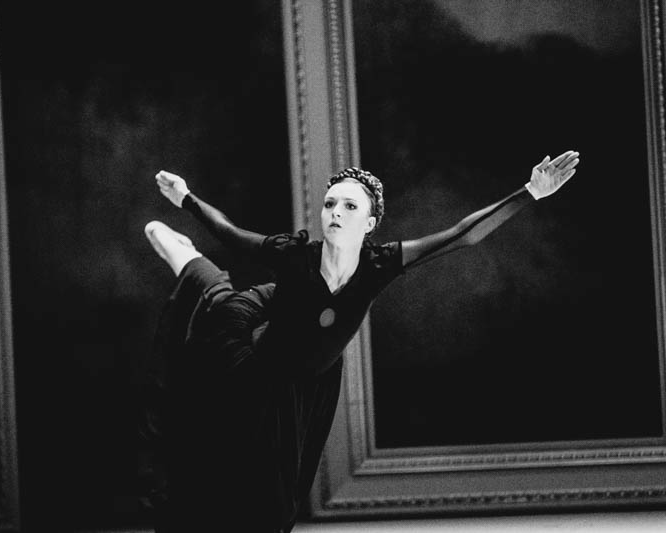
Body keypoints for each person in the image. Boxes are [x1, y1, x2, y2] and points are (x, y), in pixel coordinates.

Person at [142, 151, 579, 532]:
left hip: (306, 379)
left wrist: (529, 193)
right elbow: (231, 233)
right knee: (219, 299)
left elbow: (463, 234)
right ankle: (188, 257)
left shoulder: (379, 265)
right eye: (330, 203)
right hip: (259, 356)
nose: (336, 212)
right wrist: (186, 198)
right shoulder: (295, 255)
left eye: (349, 206)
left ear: (369, 223)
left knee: (276, 499)